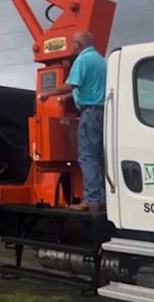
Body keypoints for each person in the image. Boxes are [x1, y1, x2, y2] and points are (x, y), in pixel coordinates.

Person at [39, 30, 107, 212]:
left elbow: (71, 84)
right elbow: (89, 88)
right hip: (103, 113)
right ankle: (102, 197)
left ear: (77, 45)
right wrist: (68, 97)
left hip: (90, 113)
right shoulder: (101, 60)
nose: (71, 47)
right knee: (100, 157)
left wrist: (47, 94)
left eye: (72, 44)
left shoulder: (82, 60)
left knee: (87, 156)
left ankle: (91, 200)